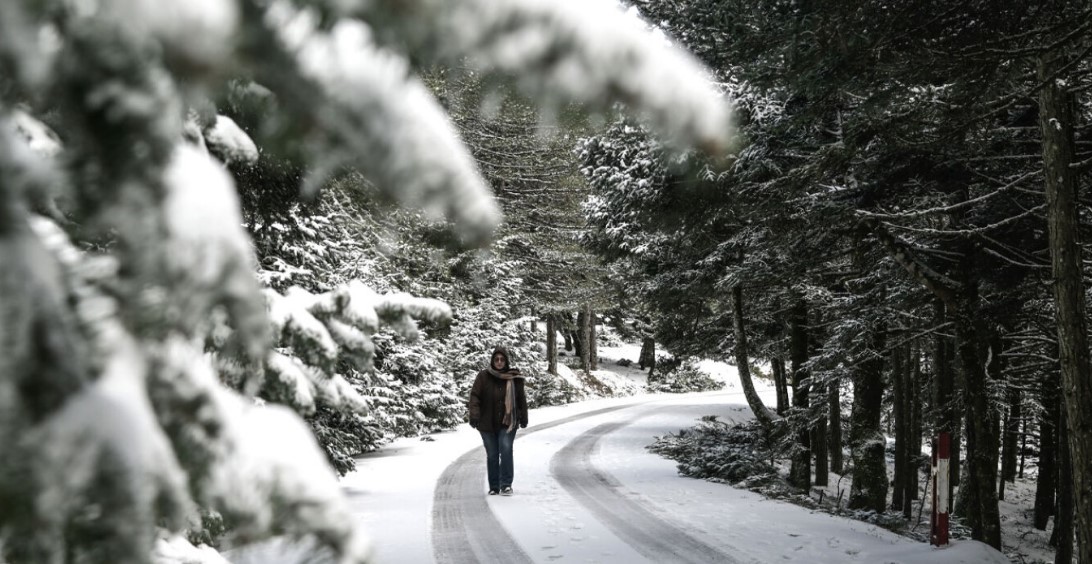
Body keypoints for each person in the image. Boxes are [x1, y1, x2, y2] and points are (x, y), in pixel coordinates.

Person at [468, 346, 528, 496]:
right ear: (492, 360)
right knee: (492, 455)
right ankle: (494, 486)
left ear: (506, 361)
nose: (499, 362)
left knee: (506, 449)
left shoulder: (514, 378)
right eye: (497, 359)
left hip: (508, 423)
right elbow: (475, 396)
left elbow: (521, 399)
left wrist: (524, 417)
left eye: (502, 359)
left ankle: (506, 484)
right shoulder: (483, 376)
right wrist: (474, 415)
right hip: (487, 423)